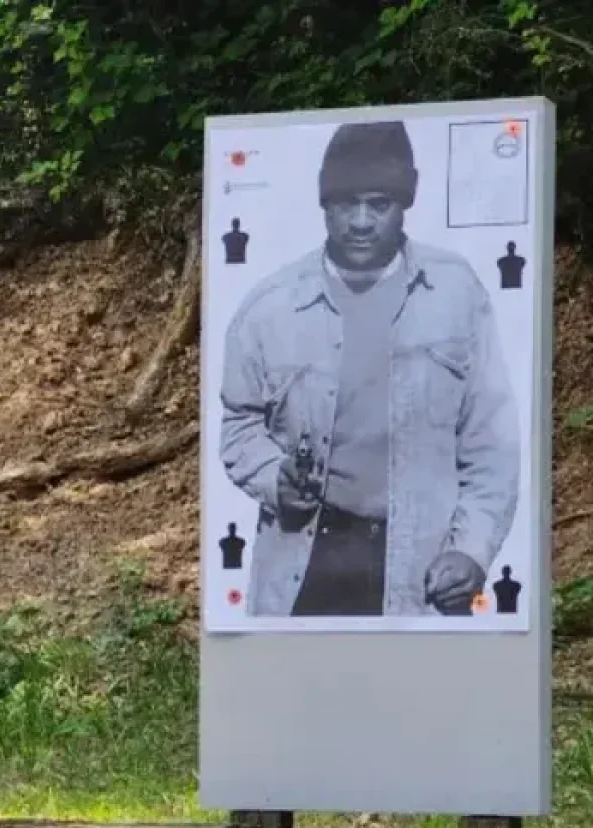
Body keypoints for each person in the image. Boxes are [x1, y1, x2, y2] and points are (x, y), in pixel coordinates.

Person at [218, 120, 519, 618]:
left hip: (421, 565)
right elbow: (240, 424)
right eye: (345, 204)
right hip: (307, 560)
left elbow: (491, 437)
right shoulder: (269, 309)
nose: (360, 221)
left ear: (405, 204)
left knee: (415, 696)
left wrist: (472, 548)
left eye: (379, 204)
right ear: (324, 205)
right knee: (302, 695)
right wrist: (275, 481)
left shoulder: (456, 293)